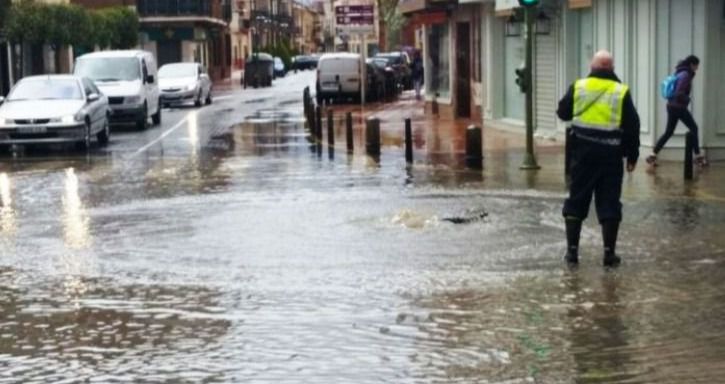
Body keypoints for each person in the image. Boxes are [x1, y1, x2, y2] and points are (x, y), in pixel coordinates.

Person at [557, 50, 641, 267]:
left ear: (592, 68)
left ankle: (572, 253)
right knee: (610, 202)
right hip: (611, 158)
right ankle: (608, 254)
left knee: (577, 200)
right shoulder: (620, 91)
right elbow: (633, 126)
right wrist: (633, 156)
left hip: (582, 156)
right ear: (612, 69)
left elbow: (563, 112)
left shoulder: (579, 86)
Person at [647, 55, 706, 167]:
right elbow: (679, 92)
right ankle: (698, 157)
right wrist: (687, 99)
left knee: (669, 132)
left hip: (671, 106)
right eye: (697, 65)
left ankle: (652, 155)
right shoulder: (685, 75)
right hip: (678, 107)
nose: (697, 68)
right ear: (692, 64)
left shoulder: (679, 72)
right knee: (694, 128)